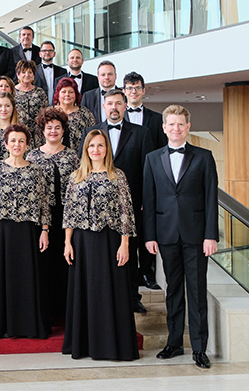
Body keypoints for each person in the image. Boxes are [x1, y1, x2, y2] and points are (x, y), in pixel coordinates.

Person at [144, 105, 218, 369]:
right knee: (173, 290)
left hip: (197, 235)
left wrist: (211, 235)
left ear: (188, 127)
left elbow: (211, 199)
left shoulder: (204, 157)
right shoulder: (152, 159)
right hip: (165, 235)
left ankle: (199, 348)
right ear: (164, 127)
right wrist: (149, 235)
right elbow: (149, 199)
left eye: (180, 124)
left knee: (197, 292)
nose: (176, 128)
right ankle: (174, 343)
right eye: (171, 124)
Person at [62, 129, 138, 361]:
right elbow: (69, 213)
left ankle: (113, 345)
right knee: (84, 291)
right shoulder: (76, 176)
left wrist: (125, 244)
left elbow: (127, 212)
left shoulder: (118, 176)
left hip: (110, 240)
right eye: (92, 146)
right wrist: (67, 242)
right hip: (82, 242)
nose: (96, 150)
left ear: (107, 149)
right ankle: (84, 345)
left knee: (110, 291)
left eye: (100, 146)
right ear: (86, 150)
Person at [82, 89, 154, 314]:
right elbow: (83, 170)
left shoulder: (142, 133)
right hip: (98, 209)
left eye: (118, 103)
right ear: (103, 107)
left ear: (125, 106)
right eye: (109, 103)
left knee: (130, 253)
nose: (114, 107)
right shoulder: (91, 133)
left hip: (131, 206)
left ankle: (132, 297)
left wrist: (144, 202)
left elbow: (147, 171)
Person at [0, 123, 51, 339]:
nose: (17, 144)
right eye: (13, 141)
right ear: (6, 144)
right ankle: (4, 325)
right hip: (2, 231)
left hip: (29, 231)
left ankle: (29, 326)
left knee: (28, 278)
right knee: (4, 278)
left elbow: (43, 203)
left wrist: (45, 230)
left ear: (28, 144)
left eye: (21, 141)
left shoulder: (36, 169)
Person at [26, 108, 80, 318]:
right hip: (40, 218)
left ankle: (65, 311)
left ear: (64, 130)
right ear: (42, 130)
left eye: (58, 127)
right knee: (43, 263)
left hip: (66, 216)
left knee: (65, 261)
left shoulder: (73, 156)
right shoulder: (32, 156)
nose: (54, 131)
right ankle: (44, 312)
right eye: (49, 128)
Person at [123, 71, 164, 290]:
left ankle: (147, 273)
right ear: (124, 91)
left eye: (137, 87)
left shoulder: (156, 120)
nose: (133, 92)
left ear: (143, 91)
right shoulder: (119, 118)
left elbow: (159, 154)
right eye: (129, 88)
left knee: (146, 229)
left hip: (146, 184)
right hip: (124, 184)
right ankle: (130, 276)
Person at [53, 77, 95, 152]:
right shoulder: (50, 113)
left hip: (79, 157)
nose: (67, 94)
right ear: (58, 95)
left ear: (76, 95)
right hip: (53, 157)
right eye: (63, 92)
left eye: (71, 92)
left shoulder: (85, 113)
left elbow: (93, 135)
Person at [14, 60, 49, 146]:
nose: (27, 74)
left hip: (38, 132)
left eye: (30, 72)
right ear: (18, 75)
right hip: (18, 131)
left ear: (33, 75)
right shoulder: (12, 92)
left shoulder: (40, 92)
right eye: (23, 72)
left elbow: (46, 112)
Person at [34, 41, 67, 105]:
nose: (47, 53)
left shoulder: (62, 71)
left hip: (57, 107)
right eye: (44, 50)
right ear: (40, 54)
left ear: (54, 54)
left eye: (50, 51)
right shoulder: (33, 70)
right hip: (38, 107)